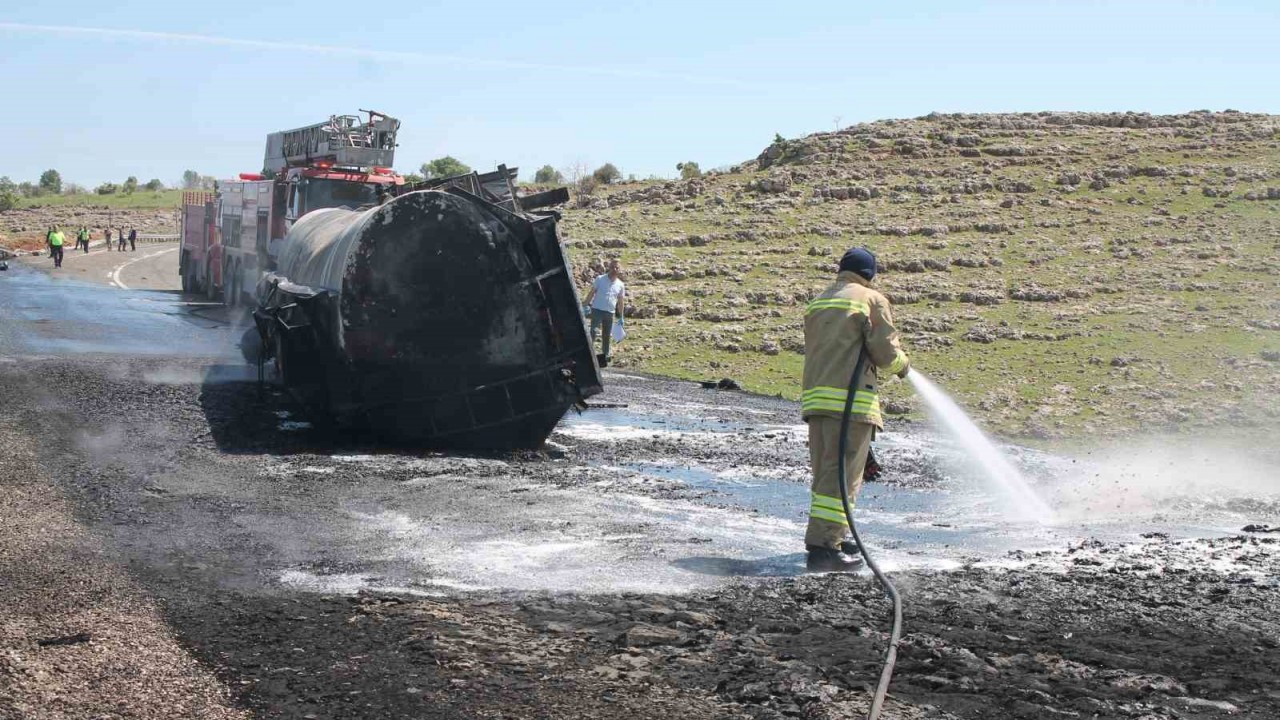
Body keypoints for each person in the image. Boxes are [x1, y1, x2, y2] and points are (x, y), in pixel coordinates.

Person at [800, 247, 909, 573]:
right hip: (849, 404)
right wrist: (905, 365)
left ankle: (834, 537)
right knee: (842, 480)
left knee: (826, 476)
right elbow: (885, 352)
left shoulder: (820, 301)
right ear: (870, 273)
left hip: (817, 402)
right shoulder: (870, 299)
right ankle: (823, 551)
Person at [582, 259, 626, 367]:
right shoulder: (600, 279)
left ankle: (605, 355)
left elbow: (620, 302)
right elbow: (592, 293)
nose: (614, 270)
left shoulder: (620, 285)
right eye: (612, 267)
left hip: (609, 313)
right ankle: (589, 354)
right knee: (593, 331)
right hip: (597, 310)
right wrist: (584, 306)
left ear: (619, 269)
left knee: (606, 335)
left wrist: (621, 316)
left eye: (617, 268)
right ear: (609, 268)